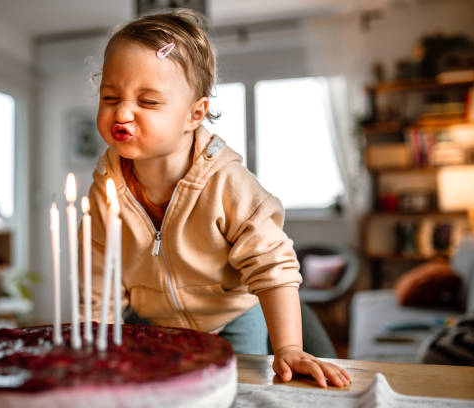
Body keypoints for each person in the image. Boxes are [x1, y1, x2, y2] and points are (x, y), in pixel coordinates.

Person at [84, 9, 351, 388]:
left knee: (236, 394)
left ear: (195, 114)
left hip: (233, 324)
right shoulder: (104, 189)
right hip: (151, 326)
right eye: (110, 96)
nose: (122, 111)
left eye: (148, 101)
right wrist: (98, 339)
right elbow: (99, 276)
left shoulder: (227, 182)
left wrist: (290, 347)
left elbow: (272, 265)